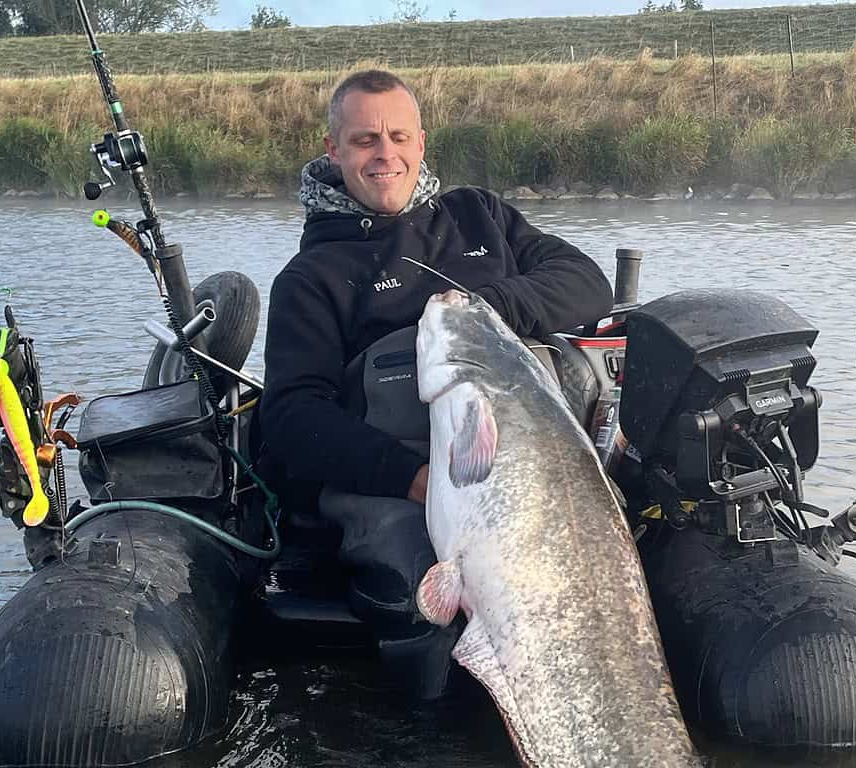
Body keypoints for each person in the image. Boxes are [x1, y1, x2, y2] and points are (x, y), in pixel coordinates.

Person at [258, 69, 612, 695]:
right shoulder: (310, 277)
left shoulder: (480, 215)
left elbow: (585, 282)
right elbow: (291, 420)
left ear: (422, 142)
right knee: (418, 594)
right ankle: (428, 727)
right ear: (333, 149)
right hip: (395, 484)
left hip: (532, 463)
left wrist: (478, 312)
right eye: (365, 140)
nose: (385, 154)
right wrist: (417, 480)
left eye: (398, 136)